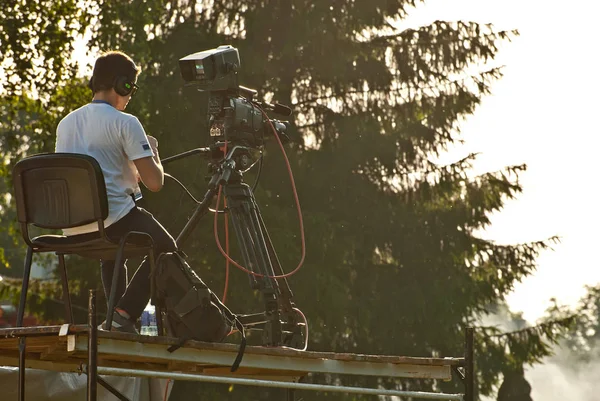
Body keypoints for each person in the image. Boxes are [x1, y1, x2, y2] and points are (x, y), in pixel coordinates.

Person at [55, 50, 177, 333]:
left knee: (112, 252)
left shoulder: (66, 124)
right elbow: (155, 182)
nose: (131, 94)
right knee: (168, 249)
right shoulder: (126, 122)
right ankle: (125, 313)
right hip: (112, 220)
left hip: (72, 227)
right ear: (122, 85)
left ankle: (115, 319)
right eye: (131, 87)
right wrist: (153, 151)